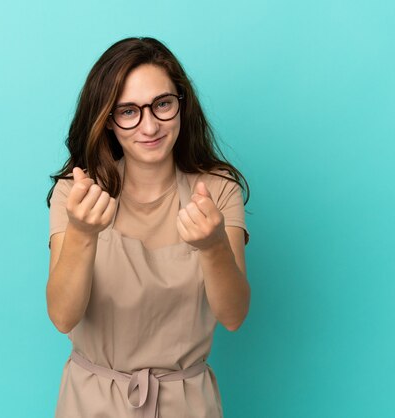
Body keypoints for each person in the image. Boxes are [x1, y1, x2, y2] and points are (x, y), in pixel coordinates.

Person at [46, 37, 250, 418]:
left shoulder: (218, 190)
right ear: (107, 119)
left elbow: (234, 315)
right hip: (90, 405)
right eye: (128, 111)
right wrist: (82, 234)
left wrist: (213, 245)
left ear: (181, 104)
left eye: (162, 104)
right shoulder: (76, 194)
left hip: (187, 406)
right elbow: (62, 316)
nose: (150, 125)